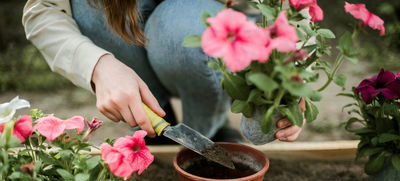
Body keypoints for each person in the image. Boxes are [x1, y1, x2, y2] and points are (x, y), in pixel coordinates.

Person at [22, 0, 304, 143]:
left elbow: (290, 8)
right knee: (87, 6)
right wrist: (98, 65)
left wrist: (291, 79)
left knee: (175, 27)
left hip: (206, 38)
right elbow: (41, 9)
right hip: (128, 47)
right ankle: (156, 126)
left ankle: (208, 129)